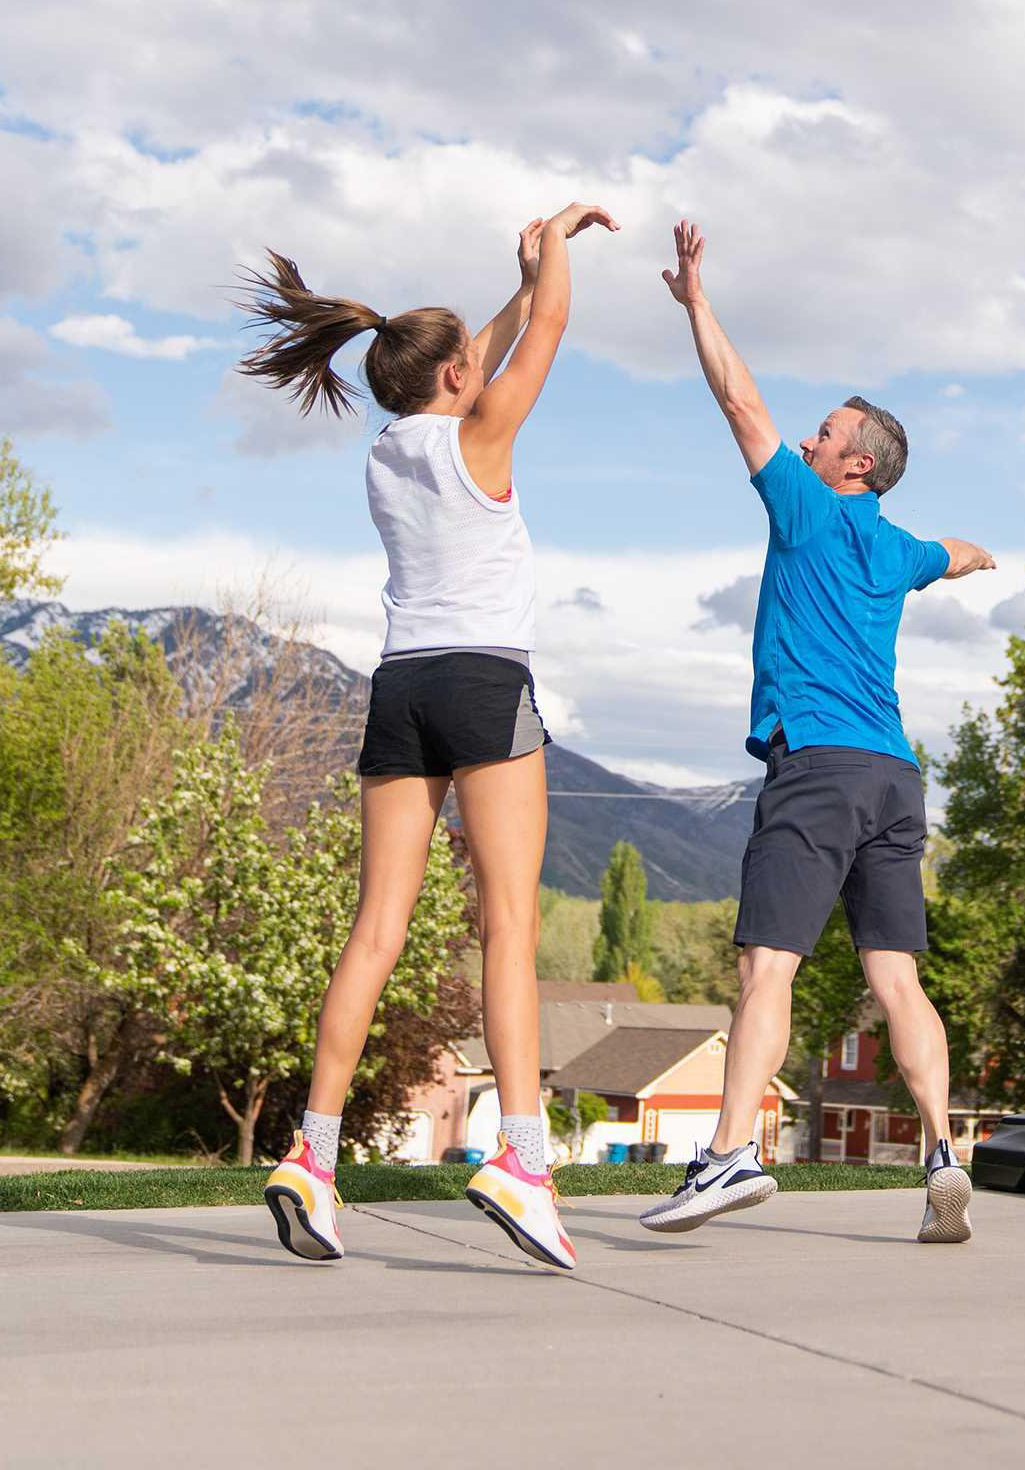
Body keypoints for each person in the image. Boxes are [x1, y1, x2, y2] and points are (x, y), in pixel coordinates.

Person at [238, 199, 615, 1271]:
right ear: (456, 377)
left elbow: (487, 347)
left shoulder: (389, 453)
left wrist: (520, 274)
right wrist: (551, 259)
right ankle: (522, 1160)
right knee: (505, 926)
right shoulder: (482, 435)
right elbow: (542, 334)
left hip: (398, 687)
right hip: (484, 681)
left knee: (376, 930)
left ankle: (310, 1153)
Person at [642, 219, 993, 1245]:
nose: (802, 437)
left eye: (824, 432)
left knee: (767, 966)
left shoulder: (802, 505)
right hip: (894, 775)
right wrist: (976, 556)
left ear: (854, 465)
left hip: (821, 769)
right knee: (896, 976)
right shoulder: (897, 545)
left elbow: (736, 399)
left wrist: (697, 303)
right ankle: (940, 1152)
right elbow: (955, 550)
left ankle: (727, 1157)